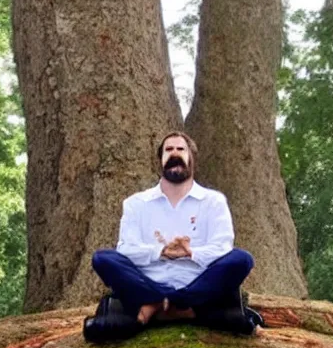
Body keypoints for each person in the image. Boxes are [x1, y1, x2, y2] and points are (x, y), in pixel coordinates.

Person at [91, 131, 254, 327]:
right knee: (102, 259)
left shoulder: (213, 201)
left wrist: (191, 252)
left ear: (191, 158)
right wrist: (161, 252)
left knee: (241, 260)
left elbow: (222, 248)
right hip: (148, 283)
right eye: (169, 149)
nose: (174, 153)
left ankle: (165, 305)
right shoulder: (136, 203)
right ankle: (174, 306)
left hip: (196, 283)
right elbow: (126, 250)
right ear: (159, 160)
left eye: (180, 149)